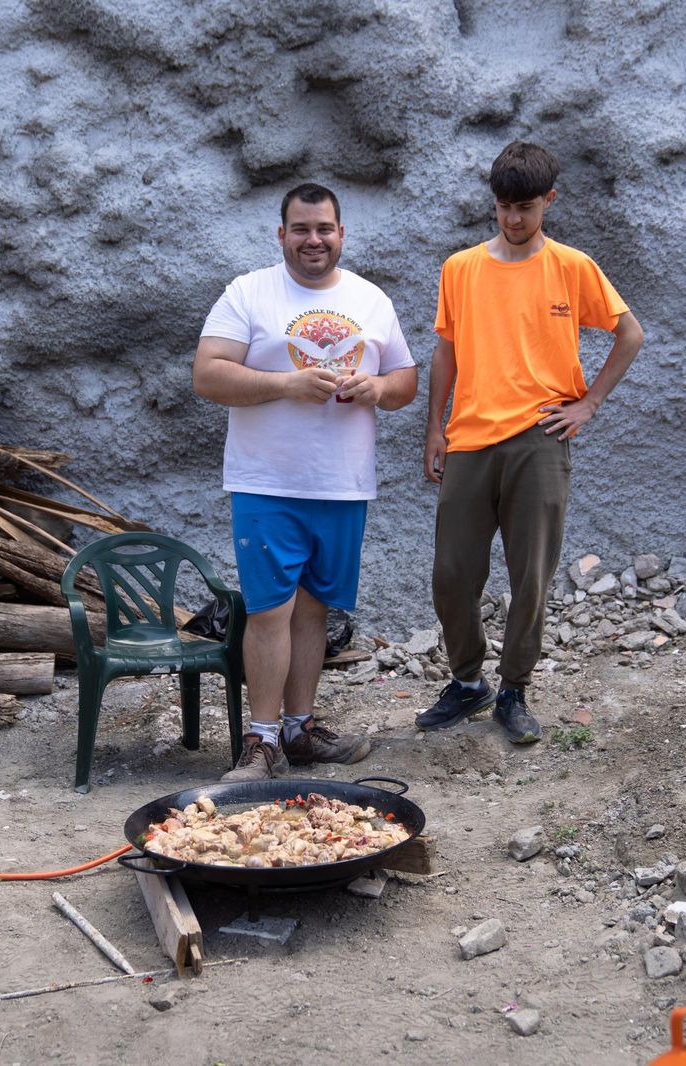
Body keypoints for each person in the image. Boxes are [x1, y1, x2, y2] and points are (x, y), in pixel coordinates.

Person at [419, 141, 644, 743]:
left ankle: (514, 689)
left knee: (531, 576)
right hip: (468, 437)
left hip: (540, 440)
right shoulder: (460, 268)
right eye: (502, 207)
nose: (513, 220)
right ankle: (468, 682)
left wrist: (589, 403)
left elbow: (630, 334)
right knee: (452, 573)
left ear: (549, 199)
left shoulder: (573, 266)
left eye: (525, 207)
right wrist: (435, 428)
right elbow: (446, 350)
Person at [194, 183, 418, 781]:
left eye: (324, 229)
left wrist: (378, 389)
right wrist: (285, 385)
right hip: (267, 482)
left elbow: (404, 379)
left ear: (341, 234)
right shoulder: (249, 292)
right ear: (282, 235)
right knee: (270, 610)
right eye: (301, 229)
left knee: (314, 611)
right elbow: (208, 375)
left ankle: (300, 729)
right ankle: (260, 742)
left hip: (343, 484)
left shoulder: (371, 299)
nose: (313, 239)